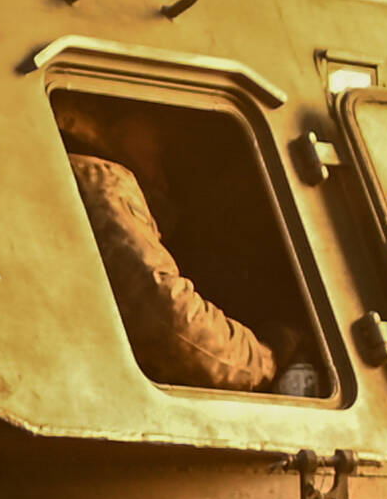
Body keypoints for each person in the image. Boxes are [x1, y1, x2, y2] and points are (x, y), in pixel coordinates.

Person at [55, 99, 307, 393]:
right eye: (157, 131)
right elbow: (169, 322)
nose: (164, 150)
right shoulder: (99, 179)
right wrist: (266, 359)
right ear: (125, 120)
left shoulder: (66, 164)